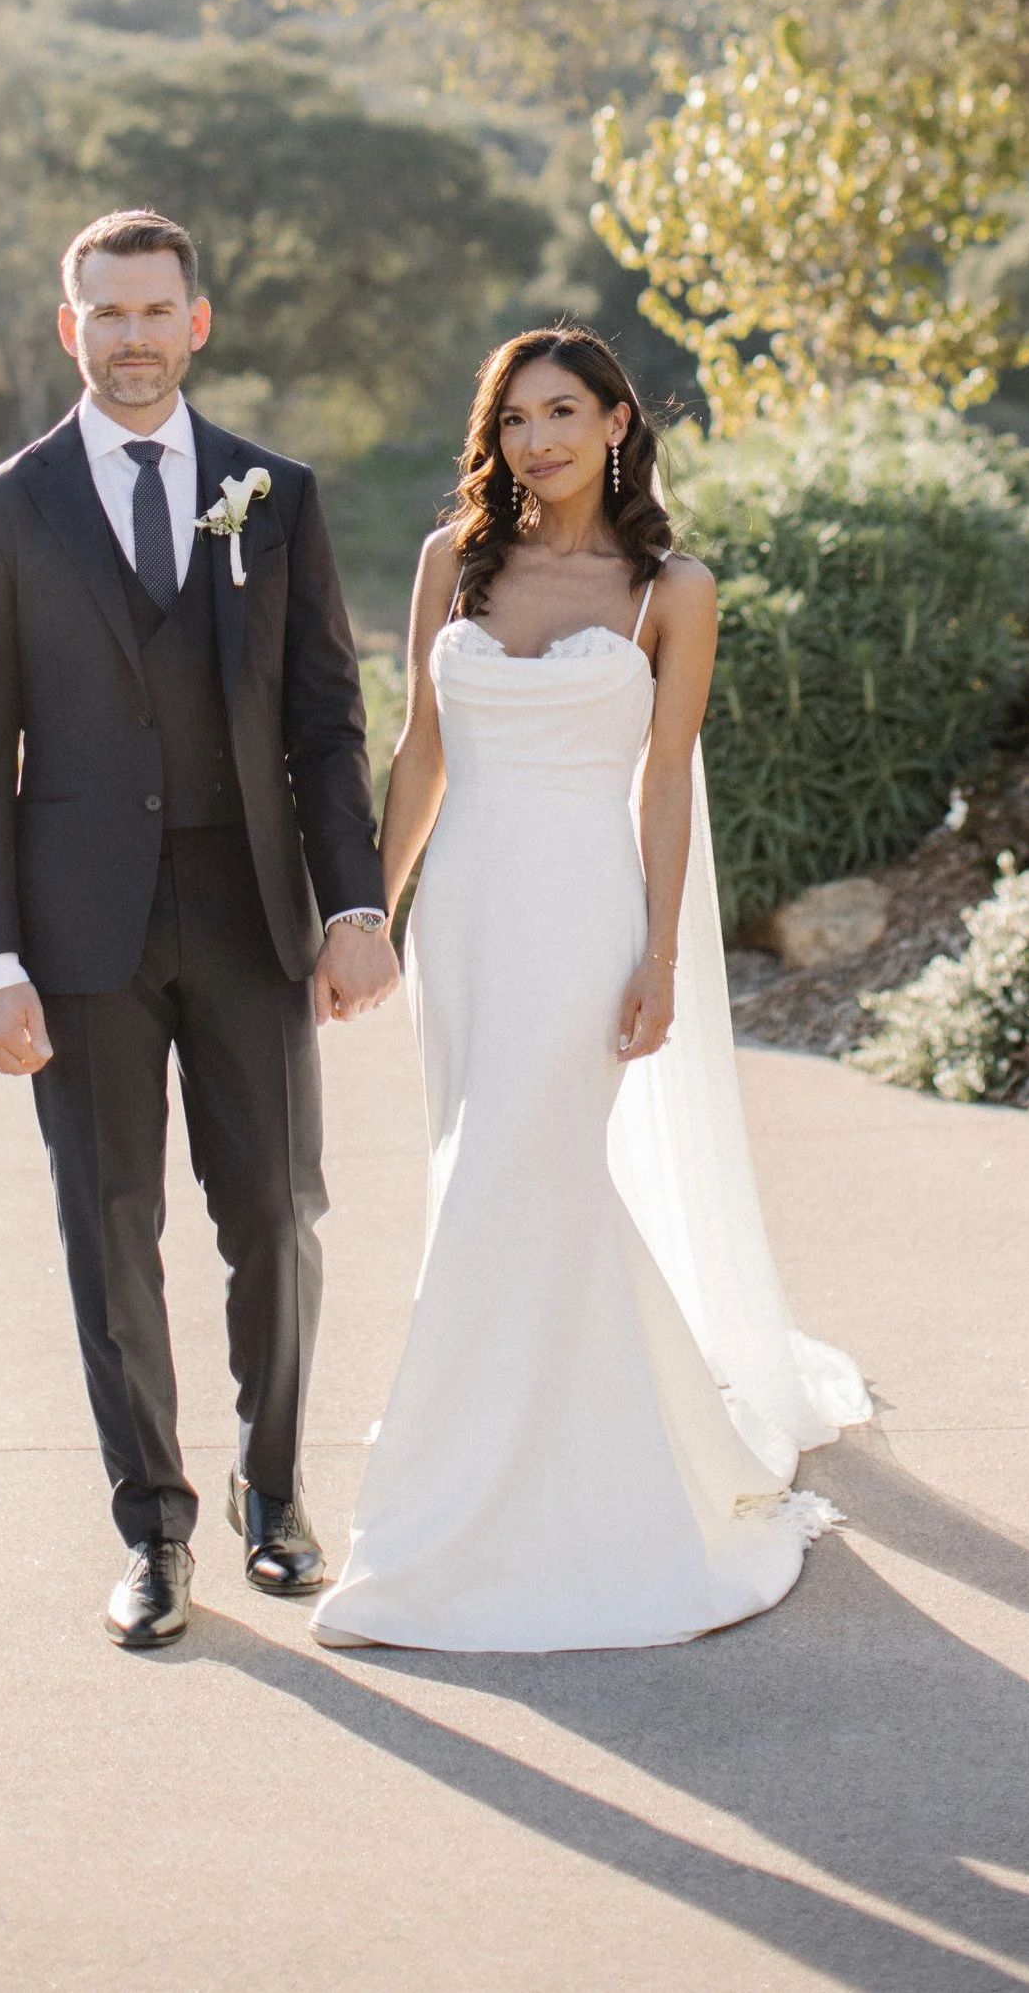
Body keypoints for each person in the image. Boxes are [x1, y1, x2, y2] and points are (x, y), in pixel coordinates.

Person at [315, 325, 867, 1654]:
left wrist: (661, 958)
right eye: (513, 420)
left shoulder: (672, 587)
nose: (537, 440)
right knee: (495, 1179)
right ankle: (543, 1446)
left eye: (563, 412)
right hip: (469, 922)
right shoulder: (455, 561)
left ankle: (474, 1508)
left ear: (620, 422)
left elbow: (664, 780)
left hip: (580, 918)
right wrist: (369, 916)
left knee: (522, 1167)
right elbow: (422, 752)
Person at [0, 207, 397, 1648]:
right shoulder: (2, 513)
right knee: (108, 1225)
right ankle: (152, 1530)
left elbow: (326, 725)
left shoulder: (278, 494)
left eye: (156, 311)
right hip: (80, 941)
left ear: (197, 323)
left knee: (276, 1211)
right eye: (106, 314)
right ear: (70, 330)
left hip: (253, 915)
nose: (132, 338)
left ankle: (275, 1498)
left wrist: (358, 905)